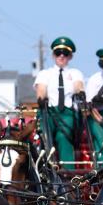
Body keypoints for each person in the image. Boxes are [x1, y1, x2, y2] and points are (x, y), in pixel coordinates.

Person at [34, 36, 84, 168]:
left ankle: (68, 172)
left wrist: (80, 92)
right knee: (45, 136)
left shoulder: (75, 73)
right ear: (53, 55)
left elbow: (78, 86)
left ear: (70, 57)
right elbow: (41, 90)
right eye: (58, 53)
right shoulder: (45, 73)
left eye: (65, 54)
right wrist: (41, 97)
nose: (61, 56)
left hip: (67, 112)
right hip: (49, 110)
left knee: (63, 137)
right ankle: (44, 167)